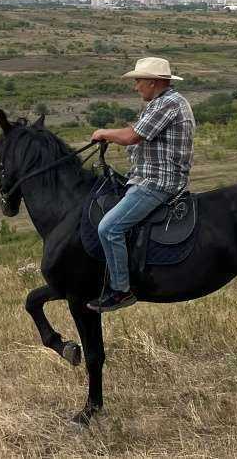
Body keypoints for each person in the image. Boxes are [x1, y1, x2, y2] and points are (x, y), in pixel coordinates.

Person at [87, 56, 195, 312]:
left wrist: (104, 133)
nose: (135, 87)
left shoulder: (167, 104)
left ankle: (120, 290)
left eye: (138, 81)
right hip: (147, 176)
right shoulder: (162, 102)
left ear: (152, 82)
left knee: (108, 228)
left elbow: (132, 136)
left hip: (157, 182)